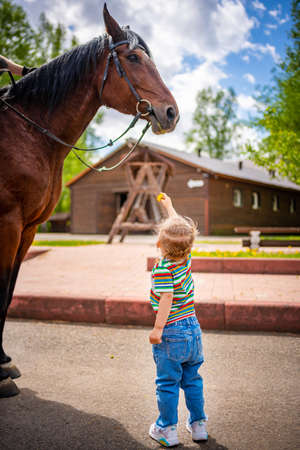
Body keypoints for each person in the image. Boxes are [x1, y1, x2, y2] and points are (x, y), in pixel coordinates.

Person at [149, 193, 208, 447]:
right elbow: (180, 230)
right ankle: (198, 425)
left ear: (160, 245)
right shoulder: (187, 259)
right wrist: (170, 207)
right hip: (193, 329)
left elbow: (166, 299)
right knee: (193, 379)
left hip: (171, 332)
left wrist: (157, 328)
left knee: (168, 383)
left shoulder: (163, 267)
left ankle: (167, 429)